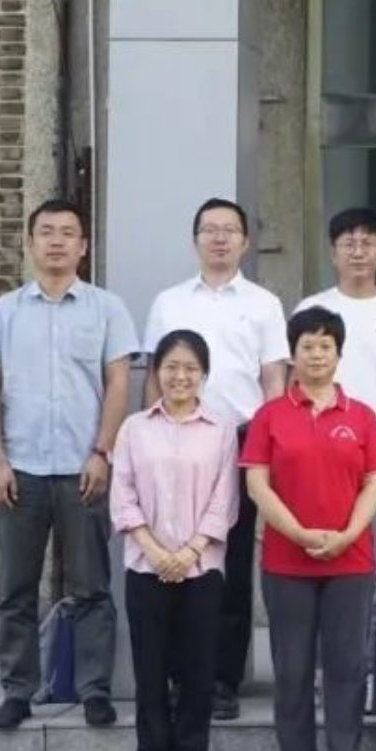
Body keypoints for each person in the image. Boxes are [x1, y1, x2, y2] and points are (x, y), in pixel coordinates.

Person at [0, 198, 139, 732]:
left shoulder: (106, 309)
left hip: (84, 468)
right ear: (30, 243)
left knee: (92, 587)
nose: (57, 241)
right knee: (15, 589)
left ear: (84, 246)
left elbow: (118, 384)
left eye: (68, 232)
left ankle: (93, 690)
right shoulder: (4, 312)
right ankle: (17, 690)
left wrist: (103, 452)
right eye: (46, 232)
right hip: (19, 470)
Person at [140, 197, 290, 722]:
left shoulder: (264, 304)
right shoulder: (168, 303)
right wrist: (146, 438)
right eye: (209, 229)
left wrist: (271, 447)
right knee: (173, 553)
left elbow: (274, 381)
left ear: (246, 241)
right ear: (195, 239)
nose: (219, 238)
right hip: (176, 439)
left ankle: (223, 679)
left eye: (230, 230)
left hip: (242, 438)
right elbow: (153, 376)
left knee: (229, 564)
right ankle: (178, 675)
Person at [242, 306, 376, 751]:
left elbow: (374, 482)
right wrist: (298, 532)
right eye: (307, 346)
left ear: (338, 353)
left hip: (350, 560)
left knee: (346, 664)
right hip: (287, 561)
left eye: (325, 346)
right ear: (293, 354)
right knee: (292, 666)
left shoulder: (362, 415)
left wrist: (348, 534)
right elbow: (257, 484)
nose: (316, 354)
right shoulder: (270, 416)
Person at [109, 329, 239, 751]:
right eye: (171, 367)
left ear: (203, 375)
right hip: (146, 567)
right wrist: (154, 550)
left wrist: (188, 553)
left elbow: (225, 499)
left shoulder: (221, 430)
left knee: (197, 667)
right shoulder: (134, 428)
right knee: (150, 666)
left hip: (201, 569)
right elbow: (122, 495)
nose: (180, 376)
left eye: (190, 368)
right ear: (156, 372)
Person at [295, 207, 376, 458]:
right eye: (348, 244)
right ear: (333, 254)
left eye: (366, 244)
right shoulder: (310, 308)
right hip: (316, 447)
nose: (357, 253)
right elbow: (294, 379)